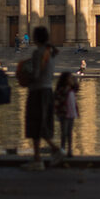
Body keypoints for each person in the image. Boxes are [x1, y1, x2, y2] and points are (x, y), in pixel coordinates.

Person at [22, 26, 64, 171]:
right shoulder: (51, 53)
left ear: (35, 38)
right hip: (47, 91)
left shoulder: (38, 53)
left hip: (37, 92)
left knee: (35, 125)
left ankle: (45, 156)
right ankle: (41, 157)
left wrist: (24, 76)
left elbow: (36, 74)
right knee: (42, 124)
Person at [54, 72, 79, 158]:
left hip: (71, 113)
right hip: (63, 113)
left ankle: (70, 150)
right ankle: (63, 149)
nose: (71, 80)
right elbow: (57, 100)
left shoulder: (72, 89)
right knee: (64, 133)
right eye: (70, 78)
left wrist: (74, 79)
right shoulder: (62, 90)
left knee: (69, 132)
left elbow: (77, 87)